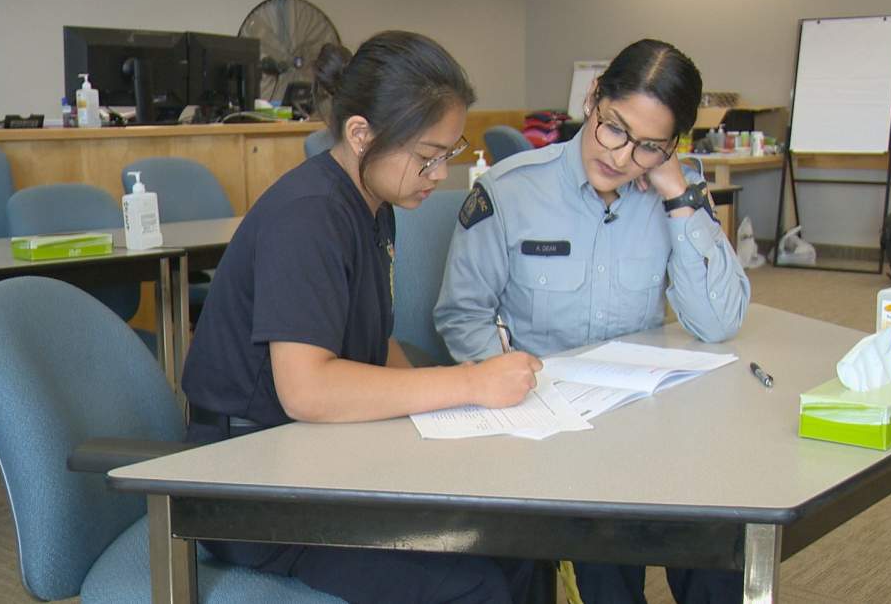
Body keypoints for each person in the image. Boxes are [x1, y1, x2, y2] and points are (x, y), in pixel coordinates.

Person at [181, 30, 542, 604]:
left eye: (448, 156)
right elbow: (307, 389)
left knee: (519, 544)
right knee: (474, 583)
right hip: (254, 483)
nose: (439, 175)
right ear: (360, 134)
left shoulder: (373, 204)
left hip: (319, 455)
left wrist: (459, 406)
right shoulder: (309, 217)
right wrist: (467, 383)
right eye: (427, 158)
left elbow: (372, 345)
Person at [434, 39, 750, 603]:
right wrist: (514, 390)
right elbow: (464, 314)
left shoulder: (669, 192)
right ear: (592, 98)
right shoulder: (508, 192)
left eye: (651, 147)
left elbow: (719, 320)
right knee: (605, 567)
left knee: (722, 549)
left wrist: (678, 195)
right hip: (551, 431)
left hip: (650, 425)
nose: (624, 158)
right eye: (614, 129)